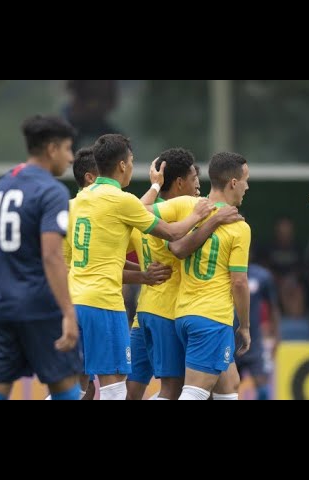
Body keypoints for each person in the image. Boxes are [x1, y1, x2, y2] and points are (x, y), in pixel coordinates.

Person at [68, 134, 217, 400]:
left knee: (76, 388)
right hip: (105, 303)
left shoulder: (78, 201)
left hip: (75, 301)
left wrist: (155, 187)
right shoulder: (121, 201)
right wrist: (199, 215)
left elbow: (103, 255)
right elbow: (172, 234)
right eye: (131, 161)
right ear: (123, 165)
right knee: (116, 388)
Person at [126, 148, 243, 400]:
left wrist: (154, 187)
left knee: (131, 391)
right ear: (180, 182)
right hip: (170, 311)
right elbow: (178, 246)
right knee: (175, 390)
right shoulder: (186, 209)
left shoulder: (145, 213)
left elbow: (116, 253)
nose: (198, 186)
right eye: (193, 179)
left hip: (143, 314)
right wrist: (210, 220)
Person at [0, 114, 81, 400]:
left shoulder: (1, 186)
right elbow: (51, 255)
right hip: (39, 305)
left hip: (1, 303)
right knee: (65, 386)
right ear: (51, 149)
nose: (71, 158)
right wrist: (68, 312)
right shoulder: (51, 191)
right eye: (67, 149)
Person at [233, 262, 281, 400]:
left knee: (263, 388)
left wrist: (276, 337)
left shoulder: (262, 276)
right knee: (229, 389)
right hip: (229, 341)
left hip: (254, 341)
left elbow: (273, 307)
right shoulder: (223, 274)